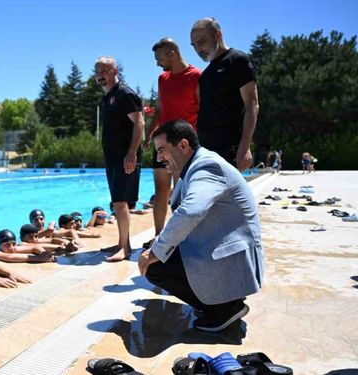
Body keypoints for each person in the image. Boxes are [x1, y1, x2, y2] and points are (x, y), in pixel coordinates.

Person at [138, 120, 264, 332]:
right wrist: (157, 243)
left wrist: (157, 251)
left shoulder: (207, 167)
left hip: (232, 259)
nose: (158, 158)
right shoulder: (195, 166)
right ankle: (216, 301)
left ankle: (225, 308)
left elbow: (191, 211)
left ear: (183, 146)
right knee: (151, 248)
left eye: (162, 150)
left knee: (154, 264)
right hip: (220, 248)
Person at [145, 38, 201, 247]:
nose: (158, 63)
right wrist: (150, 134)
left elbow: (203, 111)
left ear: (172, 53)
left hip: (184, 146)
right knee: (161, 191)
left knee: (181, 192)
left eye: (159, 58)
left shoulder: (196, 76)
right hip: (162, 142)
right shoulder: (162, 79)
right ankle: (159, 237)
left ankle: (181, 238)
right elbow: (159, 109)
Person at [190, 17, 259, 172]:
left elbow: (252, 105)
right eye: (194, 45)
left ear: (218, 35)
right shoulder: (205, 74)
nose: (198, 49)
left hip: (230, 148)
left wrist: (245, 146)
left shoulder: (238, 60)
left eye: (202, 42)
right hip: (206, 149)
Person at [95, 56, 145, 262]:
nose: (100, 76)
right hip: (114, 157)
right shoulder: (109, 96)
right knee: (117, 202)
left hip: (125, 156)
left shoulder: (124, 93)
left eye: (105, 71)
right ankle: (122, 243)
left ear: (115, 71)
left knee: (120, 201)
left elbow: (139, 122)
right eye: (98, 72)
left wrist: (132, 152)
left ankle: (125, 248)